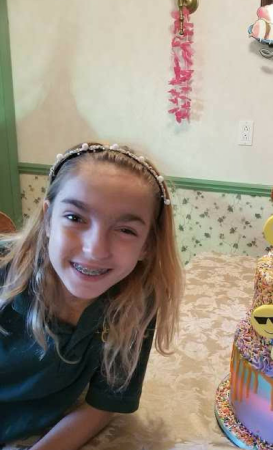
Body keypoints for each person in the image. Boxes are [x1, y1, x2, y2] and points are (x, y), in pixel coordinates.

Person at [0, 143, 184, 450]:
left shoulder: (138, 302)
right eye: (75, 218)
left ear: (148, 245)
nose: (95, 249)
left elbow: (104, 402)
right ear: (47, 220)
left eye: (125, 230)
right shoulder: (6, 271)